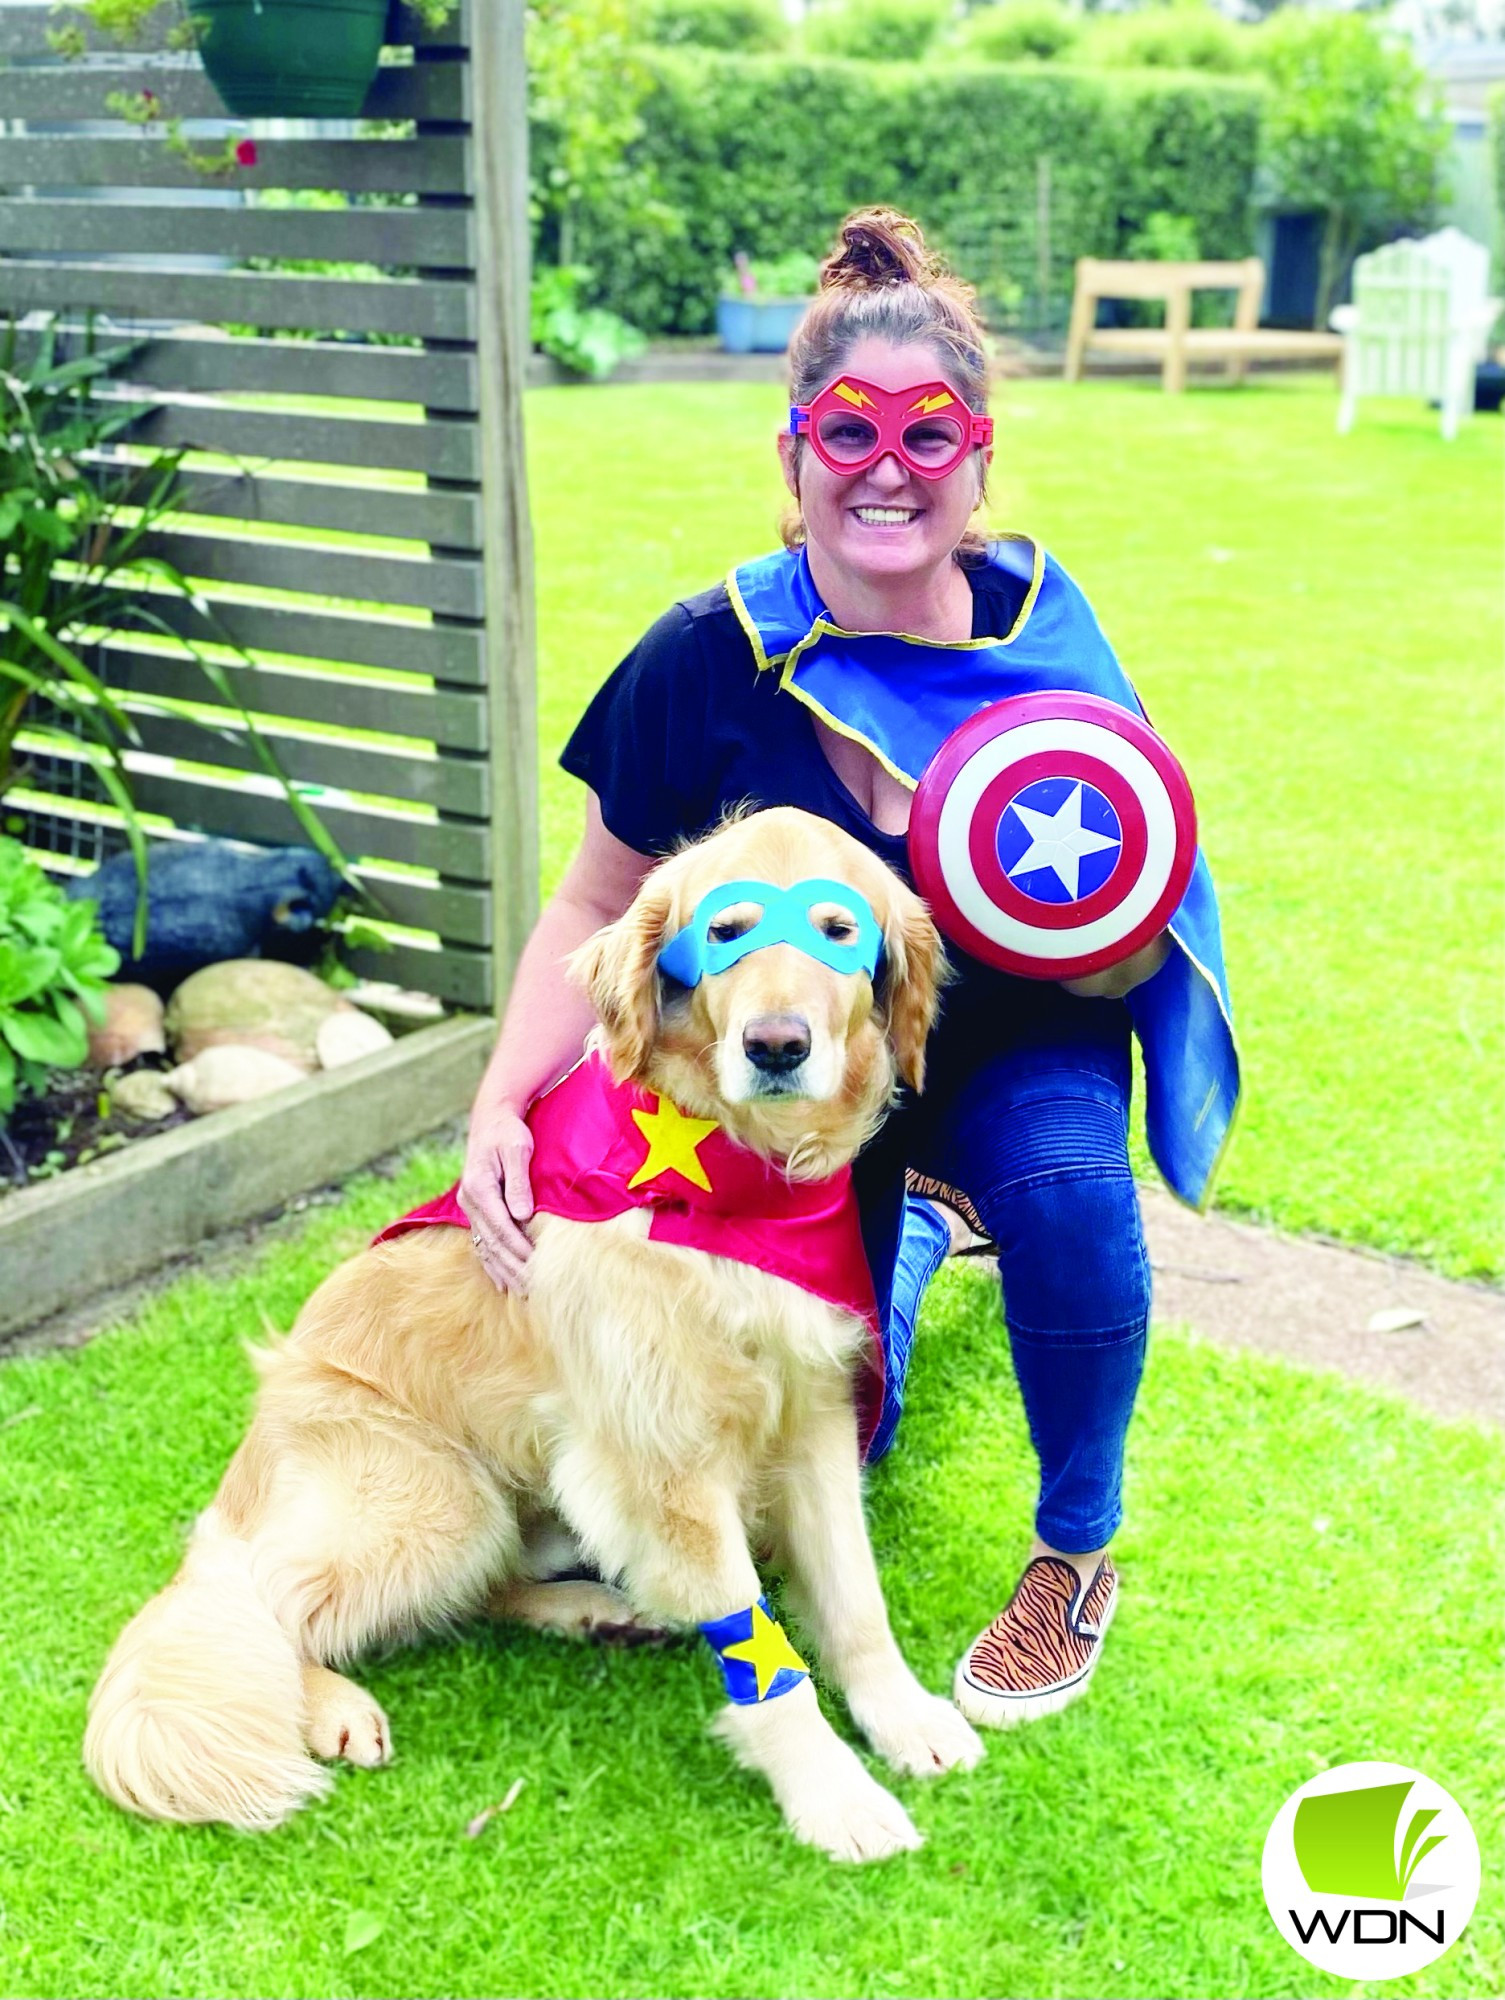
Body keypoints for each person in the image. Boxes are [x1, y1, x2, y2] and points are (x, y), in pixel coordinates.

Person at [461, 206, 1239, 1729]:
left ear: (978, 456)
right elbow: (589, 913)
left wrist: (1113, 957)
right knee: (833, 1446)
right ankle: (913, 1235)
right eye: (848, 430)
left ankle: (1074, 1552)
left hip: (1005, 1042)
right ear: (791, 455)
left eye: (927, 433)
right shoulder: (705, 655)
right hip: (788, 1084)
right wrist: (498, 1104)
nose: (887, 465)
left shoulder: (1046, 648)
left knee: (1070, 1189)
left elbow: (1135, 906)